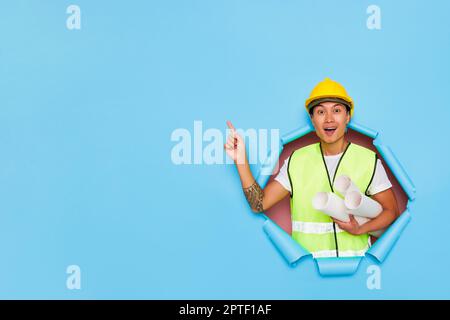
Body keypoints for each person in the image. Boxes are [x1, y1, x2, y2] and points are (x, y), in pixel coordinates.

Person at [224, 78, 399, 258]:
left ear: (347, 117)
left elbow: (391, 211)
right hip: (307, 273)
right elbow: (258, 204)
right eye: (321, 111)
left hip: (355, 272)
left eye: (337, 111)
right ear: (312, 120)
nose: (329, 119)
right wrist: (241, 161)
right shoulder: (296, 161)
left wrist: (361, 228)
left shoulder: (368, 159)